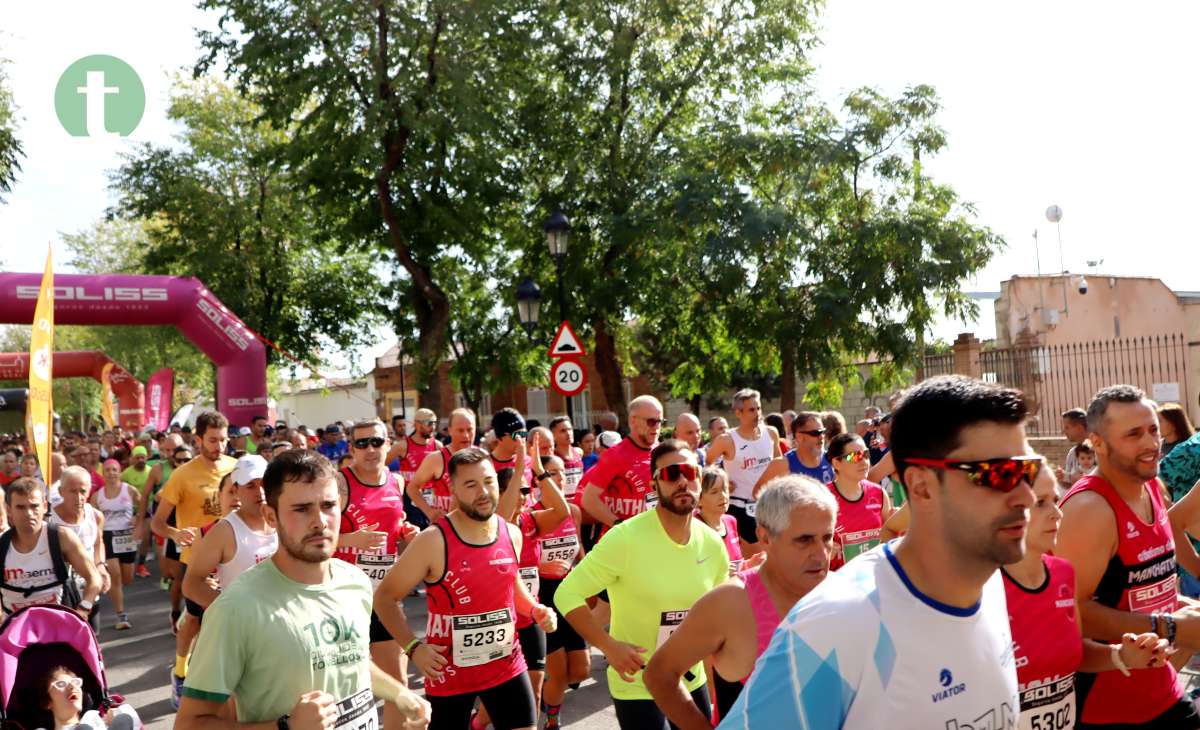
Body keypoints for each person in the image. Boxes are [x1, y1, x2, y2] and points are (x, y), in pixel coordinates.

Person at [719, 374, 1034, 728]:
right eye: (1000, 474)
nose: (1026, 496)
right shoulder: (835, 624)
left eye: (1029, 471)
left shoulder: (990, 585)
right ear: (921, 486)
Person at [177, 449, 431, 730]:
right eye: (301, 509)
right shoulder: (235, 609)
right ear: (270, 516)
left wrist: (400, 693)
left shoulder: (355, 583)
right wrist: (285, 727)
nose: (320, 521)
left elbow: (349, 660)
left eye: (328, 505)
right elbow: (190, 725)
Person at [374, 448, 556, 730]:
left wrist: (535, 609)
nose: (482, 492)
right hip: (448, 673)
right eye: (470, 485)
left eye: (488, 481)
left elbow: (511, 584)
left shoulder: (511, 533)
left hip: (504, 662)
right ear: (453, 489)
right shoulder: (433, 540)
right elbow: (384, 597)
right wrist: (413, 648)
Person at [556, 439, 729, 730]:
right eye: (671, 475)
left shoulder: (712, 544)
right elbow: (567, 594)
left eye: (688, 472)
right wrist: (609, 646)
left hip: (690, 678)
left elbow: (715, 625)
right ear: (654, 486)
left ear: (699, 479)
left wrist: (719, 698)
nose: (682, 481)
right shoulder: (625, 538)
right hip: (637, 683)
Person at [1056, 385, 1200, 727]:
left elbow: (1134, 587)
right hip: (1109, 711)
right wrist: (1172, 627)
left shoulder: (1149, 483)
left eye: (1153, 430)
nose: (1151, 444)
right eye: (1133, 434)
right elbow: (1069, 613)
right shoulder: (1090, 509)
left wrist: (1180, 606)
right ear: (1098, 443)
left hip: (1162, 693)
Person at [644, 475, 837, 727]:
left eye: (827, 538)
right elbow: (659, 674)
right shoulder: (731, 602)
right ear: (765, 538)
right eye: (804, 540)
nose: (821, 553)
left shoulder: (840, 590)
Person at [1006, 456, 1170, 730]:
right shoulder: (979, 586)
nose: (1058, 513)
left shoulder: (1062, 573)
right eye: (1040, 503)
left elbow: (1075, 652)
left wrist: (1122, 656)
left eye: (1055, 500)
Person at [333, 419, 419, 730]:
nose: (370, 449)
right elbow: (311, 538)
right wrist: (348, 540)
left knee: (397, 679)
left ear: (388, 443)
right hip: (342, 596)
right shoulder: (339, 485)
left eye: (376, 442)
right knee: (345, 683)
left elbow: (394, 521)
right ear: (351, 448)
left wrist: (406, 531)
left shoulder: (396, 482)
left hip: (384, 594)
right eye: (361, 443)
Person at [151, 410, 237, 709]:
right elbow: (157, 522)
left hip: (232, 559)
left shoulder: (235, 468)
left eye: (224, 440)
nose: (219, 446)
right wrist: (174, 534)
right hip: (198, 561)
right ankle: (180, 672)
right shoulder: (182, 475)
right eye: (213, 440)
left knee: (231, 621)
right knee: (196, 623)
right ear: (198, 439)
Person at [181, 454, 277, 611]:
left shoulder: (284, 521)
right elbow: (191, 585)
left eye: (263, 484)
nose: (260, 492)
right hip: (245, 632)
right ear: (237, 490)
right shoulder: (224, 531)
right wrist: (231, 613)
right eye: (250, 486)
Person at [0, 478, 102, 618]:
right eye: (20, 507)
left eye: (34, 506)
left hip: (58, 624)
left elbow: (94, 578)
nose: (29, 513)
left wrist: (84, 608)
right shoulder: (2, 544)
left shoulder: (61, 537)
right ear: (9, 510)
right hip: (16, 630)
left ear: (44, 506)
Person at [706, 391, 781, 555]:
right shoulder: (726, 440)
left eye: (758, 408)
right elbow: (706, 464)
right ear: (738, 413)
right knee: (758, 558)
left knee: (773, 556)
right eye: (751, 410)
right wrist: (722, 482)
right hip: (740, 507)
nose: (757, 414)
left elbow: (779, 465)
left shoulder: (771, 433)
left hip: (769, 506)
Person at [579, 396, 664, 534]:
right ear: (633, 421)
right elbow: (589, 499)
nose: (656, 427)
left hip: (653, 537)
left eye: (659, 422)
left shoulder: (662, 452)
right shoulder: (615, 455)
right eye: (651, 421)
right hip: (622, 545)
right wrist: (620, 526)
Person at [48, 466, 109, 630]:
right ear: (61, 492)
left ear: (90, 490)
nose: (79, 497)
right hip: (61, 593)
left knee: (92, 641)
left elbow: (98, 544)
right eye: (72, 491)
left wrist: (101, 566)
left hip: (90, 588)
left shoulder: (95, 516)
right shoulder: (49, 521)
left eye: (83, 491)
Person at [751, 412, 833, 527]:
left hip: (827, 528)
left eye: (823, 432)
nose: (821, 437)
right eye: (816, 433)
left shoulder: (832, 459)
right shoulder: (782, 464)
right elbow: (757, 493)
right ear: (799, 436)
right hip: (797, 533)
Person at [824, 432, 893, 570]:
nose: (863, 461)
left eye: (866, 454)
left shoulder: (878, 493)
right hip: (839, 582)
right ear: (836, 463)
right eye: (855, 456)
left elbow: (890, 536)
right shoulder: (823, 497)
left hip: (874, 578)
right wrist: (824, 548)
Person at [91, 459, 141, 630]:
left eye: (114, 470)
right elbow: (92, 518)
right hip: (108, 537)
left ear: (120, 472)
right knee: (115, 575)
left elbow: (144, 507)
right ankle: (121, 615)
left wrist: (137, 518)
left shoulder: (130, 490)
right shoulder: (97, 496)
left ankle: (118, 597)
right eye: (107, 470)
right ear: (102, 474)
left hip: (127, 537)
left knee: (128, 578)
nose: (111, 473)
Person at [406, 408, 477, 524]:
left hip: (474, 525)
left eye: (470, 429)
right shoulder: (437, 459)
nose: (466, 435)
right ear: (450, 430)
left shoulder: (482, 457)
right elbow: (412, 488)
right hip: (446, 528)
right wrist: (429, 512)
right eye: (460, 430)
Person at [385, 408, 440, 529]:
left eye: (435, 423)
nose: (433, 427)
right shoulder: (403, 446)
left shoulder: (437, 445)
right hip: (409, 498)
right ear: (417, 424)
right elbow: (381, 464)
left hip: (432, 496)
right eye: (429, 423)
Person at [38, 666, 140, 730]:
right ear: (47, 702)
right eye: (61, 684)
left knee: (123, 718)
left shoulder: (94, 719)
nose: (72, 687)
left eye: (76, 682)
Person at [695, 468, 748, 573]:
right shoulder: (693, 528)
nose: (723, 496)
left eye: (725, 489)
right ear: (698, 500)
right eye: (714, 492)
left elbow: (737, 565)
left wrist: (750, 564)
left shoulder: (731, 521)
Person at [549, 416, 586, 496]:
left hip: (580, 502)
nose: (568, 433)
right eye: (563, 431)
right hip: (564, 504)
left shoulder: (579, 452)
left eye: (570, 429)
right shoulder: (552, 457)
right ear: (553, 436)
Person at [1056, 407, 1089, 489]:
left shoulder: (1099, 451)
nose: (1063, 431)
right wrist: (1062, 478)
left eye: (1067, 427)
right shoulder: (1072, 453)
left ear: (1079, 428)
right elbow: (1069, 485)